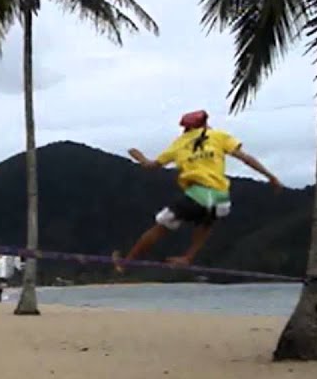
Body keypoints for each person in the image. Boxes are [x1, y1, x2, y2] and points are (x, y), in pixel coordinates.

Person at [114, 110, 282, 270]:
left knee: (161, 227)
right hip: (221, 199)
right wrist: (270, 176)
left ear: (186, 128)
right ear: (205, 124)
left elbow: (151, 166)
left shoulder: (179, 144)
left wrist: (138, 156)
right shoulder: (219, 136)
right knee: (206, 222)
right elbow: (246, 158)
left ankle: (126, 263)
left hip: (197, 194)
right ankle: (188, 257)